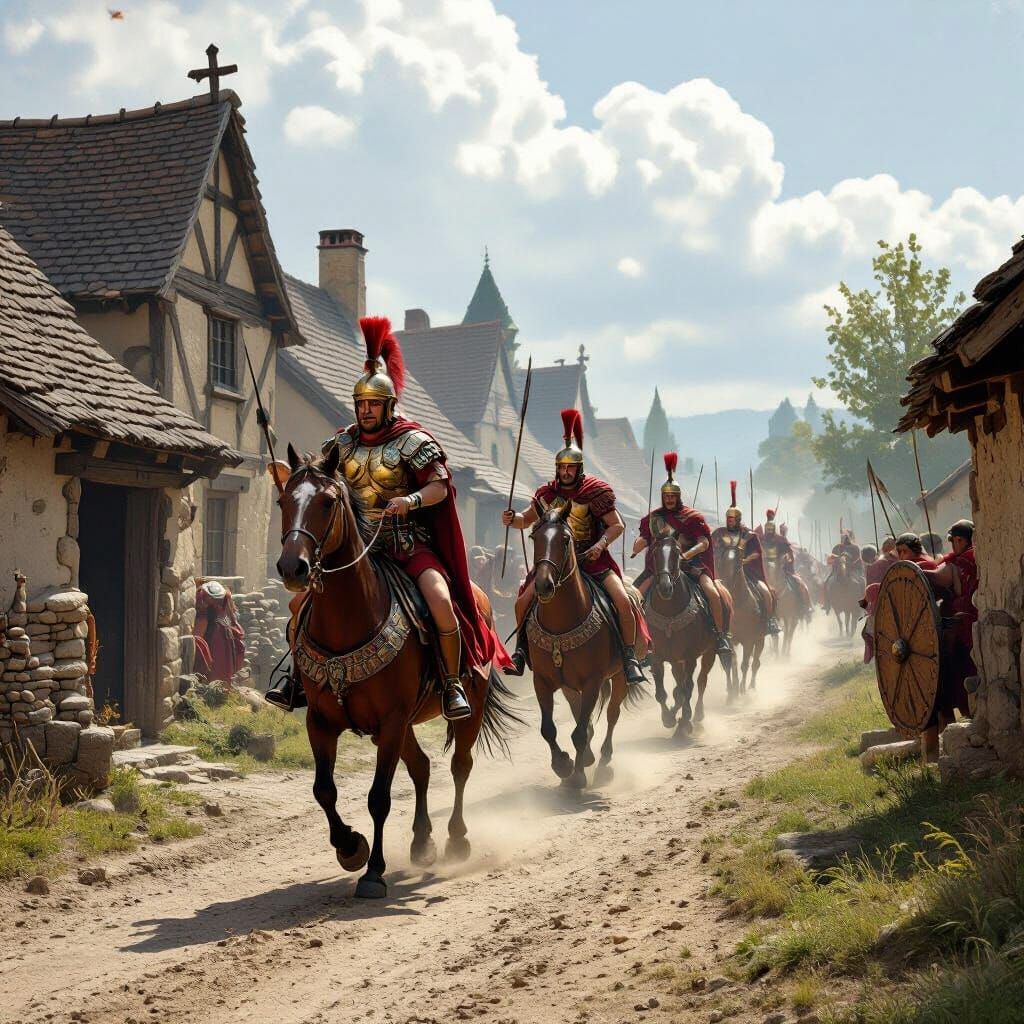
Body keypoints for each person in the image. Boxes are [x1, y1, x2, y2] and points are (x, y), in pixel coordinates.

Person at [265, 316, 509, 719]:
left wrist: (409, 501)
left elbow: (440, 487)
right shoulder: (339, 444)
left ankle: (450, 685)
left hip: (407, 545)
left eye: (373, 404)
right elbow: (317, 481)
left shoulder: (413, 440)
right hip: (352, 548)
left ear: (389, 405)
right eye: (361, 404)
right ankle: (297, 679)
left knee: (441, 601)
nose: (365, 411)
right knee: (300, 608)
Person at [502, 408, 647, 683]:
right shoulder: (546, 494)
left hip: (594, 563)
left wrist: (600, 545)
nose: (565, 472)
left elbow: (618, 525)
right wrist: (513, 519)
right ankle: (521, 652)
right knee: (522, 602)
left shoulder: (595, 492)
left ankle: (628, 658)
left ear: (579, 468)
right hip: (555, 564)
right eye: (561, 467)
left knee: (623, 602)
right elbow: (525, 520)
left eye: (570, 467)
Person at [632, 453, 731, 655]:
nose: (669, 500)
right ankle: (638, 644)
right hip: (661, 568)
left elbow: (704, 542)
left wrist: (686, 555)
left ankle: (720, 636)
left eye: (672, 496)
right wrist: (642, 542)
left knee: (713, 593)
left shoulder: (692, 517)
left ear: (678, 497)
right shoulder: (653, 518)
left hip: (692, 565)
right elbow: (641, 541)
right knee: (635, 597)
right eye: (666, 496)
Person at [711, 482, 780, 635]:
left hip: (748, 572)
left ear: (738, 519)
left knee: (765, 592)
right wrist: (718, 558)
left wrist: (744, 561)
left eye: (733, 519)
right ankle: (711, 627)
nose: (730, 521)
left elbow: (756, 553)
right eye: (728, 519)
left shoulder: (748, 535)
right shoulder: (719, 534)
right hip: (723, 573)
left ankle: (769, 620)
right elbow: (713, 550)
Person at [193, 580, 246, 685]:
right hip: (220, 637)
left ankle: (218, 692)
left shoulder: (224, 601)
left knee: (219, 670)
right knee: (219, 670)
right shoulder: (218, 603)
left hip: (218, 638)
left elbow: (201, 627)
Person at [761, 516, 811, 616]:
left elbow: (789, 553)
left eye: (771, 529)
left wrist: (788, 560)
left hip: (782, 567)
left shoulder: (780, 540)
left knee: (800, 584)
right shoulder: (761, 539)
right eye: (768, 529)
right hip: (763, 567)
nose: (769, 531)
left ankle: (804, 606)